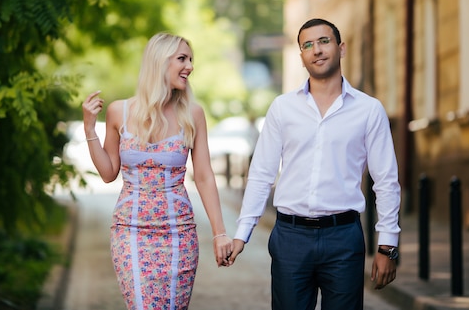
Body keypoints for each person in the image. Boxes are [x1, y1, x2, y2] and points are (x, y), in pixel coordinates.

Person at [228, 18, 401, 310]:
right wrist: (241, 233)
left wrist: (387, 246)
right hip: (290, 238)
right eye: (307, 45)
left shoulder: (369, 110)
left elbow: (386, 181)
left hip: (343, 238)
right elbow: (261, 174)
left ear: (340, 48)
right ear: (301, 56)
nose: (316, 50)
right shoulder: (283, 108)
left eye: (324, 41)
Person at [82, 32, 233, 310]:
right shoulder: (119, 112)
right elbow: (108, 173)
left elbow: (203, 176)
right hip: (130, 232)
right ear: (159, 62)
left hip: (179, 233)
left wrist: (219, 232)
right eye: (182, 59)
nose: (190, 66)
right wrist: (90, 128)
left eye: (191, 59)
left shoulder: (193, 114)